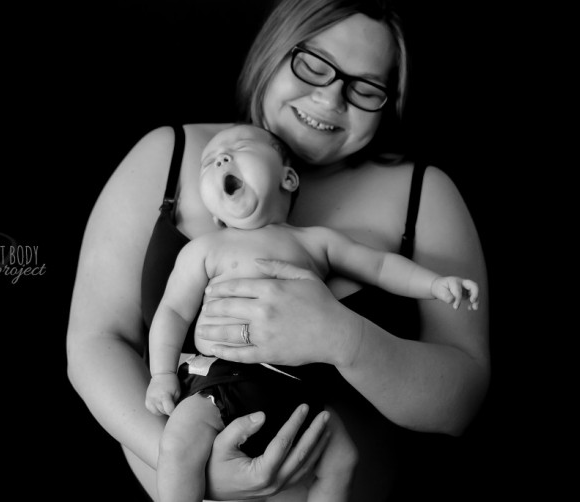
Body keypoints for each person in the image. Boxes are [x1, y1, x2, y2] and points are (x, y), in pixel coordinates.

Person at [66, 0, 490, 500]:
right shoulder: (171, 154)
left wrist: (347, 340)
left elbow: (461, 403)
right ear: (274, 51)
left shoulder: (425, 195)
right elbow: (94, 343)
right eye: (313, 63)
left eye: (366, 87)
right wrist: (184, 461)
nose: (331, 99)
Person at [145, 123, 479, 502]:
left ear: (287, 177)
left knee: (342, 461)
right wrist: (161, 373)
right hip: (226, 380)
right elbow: (171, 311)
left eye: (240, 148)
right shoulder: (205, 249)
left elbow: (381, 267)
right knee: (178, 443)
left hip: (300, 387)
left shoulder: (315, 241)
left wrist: (434, 285)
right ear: (212, 208)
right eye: (209, 162)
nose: (222, 158)